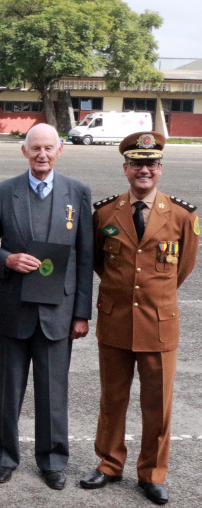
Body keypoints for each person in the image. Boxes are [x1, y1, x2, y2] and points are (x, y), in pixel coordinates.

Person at [80, 132, 198, 505]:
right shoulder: (105, 213)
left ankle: (152, 474)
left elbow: (182, 269)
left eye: (150, 164)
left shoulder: (182, 215)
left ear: (160, 169)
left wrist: (153, 295)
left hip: (159, 325)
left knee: (157, 406)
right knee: (112, 400)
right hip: (115, 322)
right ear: (126, 168)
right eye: (136, 164)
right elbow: (99, 263)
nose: (143, 170)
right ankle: (109, 464)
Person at [0, 123, 92, 490]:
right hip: (14, 309)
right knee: (7, 390)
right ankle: (4, 457)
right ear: (25, 151)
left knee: (53, 392)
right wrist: (7, 259)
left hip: (58, 312)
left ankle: (52, 461)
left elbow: (84, 257)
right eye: (36, 148)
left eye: (48, 148)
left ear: (59, 150)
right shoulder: (2, 192)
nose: (42, 154)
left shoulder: (78, 193)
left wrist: (81, 313)